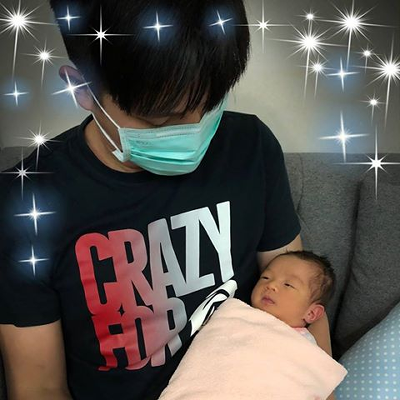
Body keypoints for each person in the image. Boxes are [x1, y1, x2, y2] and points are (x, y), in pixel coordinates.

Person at [0, 1, 335, 399]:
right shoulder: (25, 204)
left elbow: (301, 294)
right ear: (81, 88)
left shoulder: (250, 147)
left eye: (207, 107)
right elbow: (39, 387)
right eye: (161, 119)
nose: (194, 132)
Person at [251, 250, 336, 345]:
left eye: (288, 285)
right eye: (266, 277)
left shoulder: (302, 344)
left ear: (311, 313)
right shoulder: (240, 313)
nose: (271, 285)